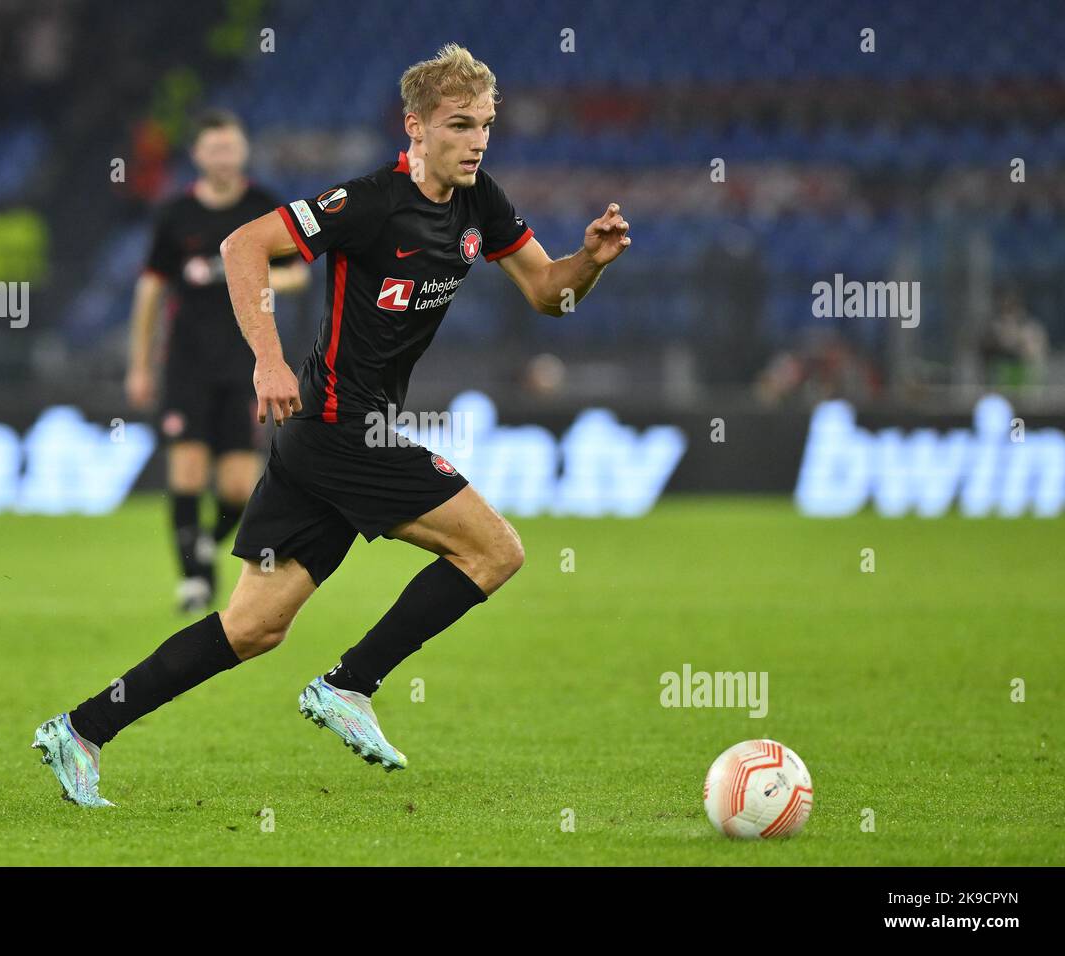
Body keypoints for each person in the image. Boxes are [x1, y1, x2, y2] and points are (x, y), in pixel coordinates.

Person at [34, 44, 630, 806]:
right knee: (496, 549)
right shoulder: (371, 203)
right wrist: (268, 359)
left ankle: (80, 729)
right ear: (415, 128)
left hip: (328, 439)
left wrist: (590, 260)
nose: (478, 140)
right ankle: (351, 684)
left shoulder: (482, 203)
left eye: (485, 124)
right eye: (459, 124)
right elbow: (242, 244)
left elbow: (550, 294)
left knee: (252, 627)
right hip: (341, 427)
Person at [125, 109, 309, 612]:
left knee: (235, 484)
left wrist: (246, 277)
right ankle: (193, 580)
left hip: (246, 362)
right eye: (214, 149)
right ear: (198, 156)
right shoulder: (175, 214)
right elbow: (150, 289)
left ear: (243, 151)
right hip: (185, 362)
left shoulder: (262, 206)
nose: (223, 157)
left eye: (231, 147)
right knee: (185, 470)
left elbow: (297, 274)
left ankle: (206, 542)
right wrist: (139, 364)